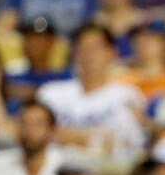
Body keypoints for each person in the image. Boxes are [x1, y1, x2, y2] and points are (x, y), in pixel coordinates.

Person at [37, 23, 145, 162]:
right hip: (57, 169)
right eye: (83, 47)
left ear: (111, 52)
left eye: (96, 47)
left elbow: (129, 143)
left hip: (107, 171)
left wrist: (65, 135)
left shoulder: (127, 94)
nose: (89, 54)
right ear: (74, 52)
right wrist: (92, 136)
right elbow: (34, 133)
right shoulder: (50, 93)